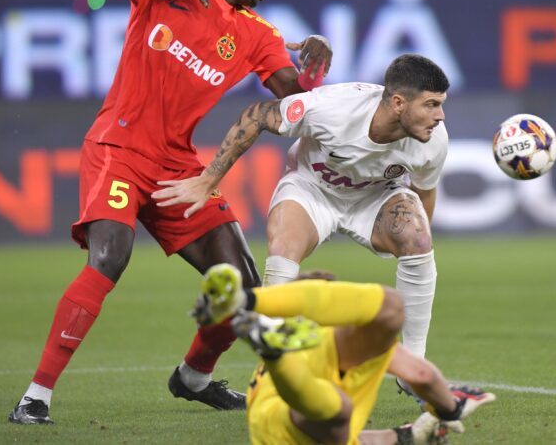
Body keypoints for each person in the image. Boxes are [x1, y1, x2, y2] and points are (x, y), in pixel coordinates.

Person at [8, 0, 333, 424]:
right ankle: (36, 395)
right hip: (118, 146)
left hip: (177, 166)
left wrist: (313, 70)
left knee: (242, 286)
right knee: (110, 257)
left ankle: (193, 378)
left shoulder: (257, 33)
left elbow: (296, 102)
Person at [153, 54, 447, 390]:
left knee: (419, 240)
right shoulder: (333, 108)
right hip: (313, 189)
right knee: (283, 249)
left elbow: (424, 191)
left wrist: (419, 249)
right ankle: (272, 376)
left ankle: (412, 367)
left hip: (375, 197)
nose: (440, 116)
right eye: (431, 105)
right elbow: (258, 115)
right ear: (398, 103)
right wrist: (208, 180)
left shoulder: (434, 140)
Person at [194, 263, 495, 445]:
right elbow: (422, 375)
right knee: (338, 413)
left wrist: (407, 436)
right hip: (298, 410)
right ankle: (273, 349)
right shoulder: (347, 341)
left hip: (268, 418)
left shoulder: (302, 335)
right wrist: (449, 408)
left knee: (338, 419)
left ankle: (256, 320)